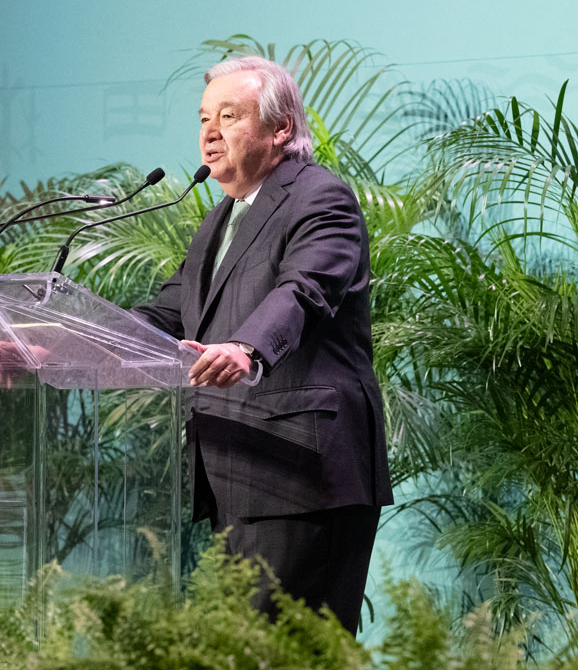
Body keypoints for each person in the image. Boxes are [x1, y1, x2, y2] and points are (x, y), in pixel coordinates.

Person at [132, 56, 393, 635]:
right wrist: (53, 343)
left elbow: (304, 291)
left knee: (289, 654)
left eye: (230, 115)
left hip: (304, 473)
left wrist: (247, 348)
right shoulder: (221, 218)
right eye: (204, 117)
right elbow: (172, 311)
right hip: (242, 472)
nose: (210, 132)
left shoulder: (321, 198)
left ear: (280, 130)